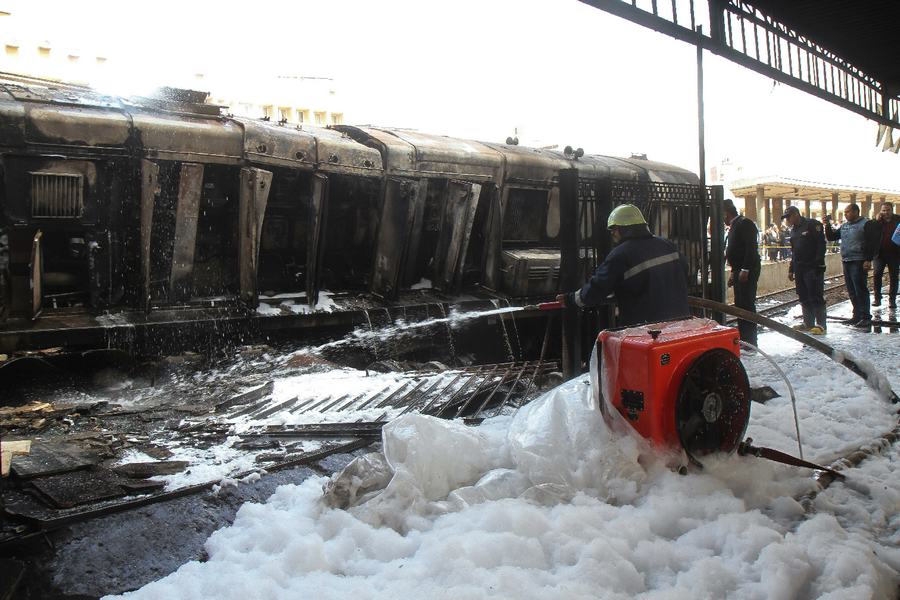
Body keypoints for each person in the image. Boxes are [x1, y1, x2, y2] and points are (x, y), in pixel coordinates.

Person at [556, 204, 690, 327]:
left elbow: (598, 287)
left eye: (614, 231)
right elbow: (684, 269)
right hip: (678, 321)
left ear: (619, 229)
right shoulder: (667, 245)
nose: (614, 235)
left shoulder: (620, 255)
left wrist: (571, 299)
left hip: (645, 328)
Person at [824, 203, 879, 327]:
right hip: (847, 260)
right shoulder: (845, 226)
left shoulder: (866, 224)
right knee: (852, 290)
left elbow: (872, 242)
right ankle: (857, 314)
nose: (846, 215)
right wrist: (827, 225)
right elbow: (832, 236)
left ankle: (865, 316)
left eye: (847, 212)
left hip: (859, 260)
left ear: (856, 211)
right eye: (845, 213)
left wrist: (868, 259)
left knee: (860, 289)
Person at [782, 206, 827, 334]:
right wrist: (791, 269)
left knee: (815, 295)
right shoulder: (794, 230)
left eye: (789, 216)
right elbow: (794, 251)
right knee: (804, 296)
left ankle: (821, 324)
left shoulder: (812, 225)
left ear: (796, 214)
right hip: (800, 268)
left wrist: (819, 263)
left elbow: (820, 244)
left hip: (812, 267)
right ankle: (808, 322)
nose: (788, 219)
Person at [724, 200, 761, 346]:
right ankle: (744, 338)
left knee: (746, 305)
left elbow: (750, 247)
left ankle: (750, 340)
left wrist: (745, 269)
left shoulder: (745, 223)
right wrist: (734, 271)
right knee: (740, 305)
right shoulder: (735, 225)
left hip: (747, 270)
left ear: (726, 214)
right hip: (739, 270)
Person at [872, 202, 899, 309]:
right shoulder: (878, 222)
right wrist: (876, 221)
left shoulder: (897, 220)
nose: (886, 212)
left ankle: (892, 299)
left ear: (892, 211)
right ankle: (877, 298)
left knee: (894, 277)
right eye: (883, 210)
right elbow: (870, 232)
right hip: (879, 254)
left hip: (895, 254)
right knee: (877, 274)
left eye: (888, 210)